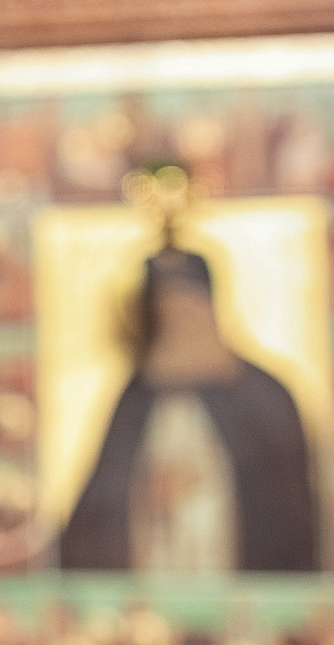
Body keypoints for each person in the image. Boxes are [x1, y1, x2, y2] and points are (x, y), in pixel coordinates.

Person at [59, 245, 319, 574]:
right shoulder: (137, 397)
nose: (178, 324)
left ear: (210, 308)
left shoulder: (264, 396)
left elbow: (289, 511)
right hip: (154, 584)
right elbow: (95, 513)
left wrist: (210, 482)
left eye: (188, 308)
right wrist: (140, 494)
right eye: (165, 312)